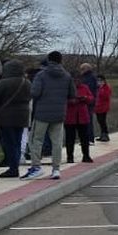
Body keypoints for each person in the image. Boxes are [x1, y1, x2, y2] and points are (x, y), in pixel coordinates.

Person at [23, 51, 73, 180]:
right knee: (57, 142)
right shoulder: (67, 76)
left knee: (36, 140)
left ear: (48, 60)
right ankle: (56, 169)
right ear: (61, 60)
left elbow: (34, 93)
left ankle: (36, 167)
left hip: (42, 113)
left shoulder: (41, 75)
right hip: (59, 113)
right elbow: (72, 94)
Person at [0, 60, 31, 178]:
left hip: (6, 116)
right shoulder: (26, 82)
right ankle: (15, 165)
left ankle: (13, 168)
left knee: (8, 143)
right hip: (23, 116)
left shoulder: (3, 83)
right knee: (17, 142)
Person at [64, 75, 94, 164]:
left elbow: (91, 98)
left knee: (84, 138)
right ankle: (70, 157)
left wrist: (85, 98)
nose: (77, 81)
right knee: (70, 139)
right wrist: (71, 101)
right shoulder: (67, 88)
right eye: (75, 80)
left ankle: (86, 155)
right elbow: (62, 99)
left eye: (78, 79)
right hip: (70, 117)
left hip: (82, 117)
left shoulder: (84, 87)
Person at [94, 74, 113, 141]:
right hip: (97, 107)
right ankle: (102, 134)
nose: (99, 82)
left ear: (104, 81)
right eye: (98, 80)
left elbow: (106, 96)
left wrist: (101, 90)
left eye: (100, 80)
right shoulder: (97, 88)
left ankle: (105, 135)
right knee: (100, 121)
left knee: (102, 121)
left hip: (104, 107)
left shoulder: (106, 87)